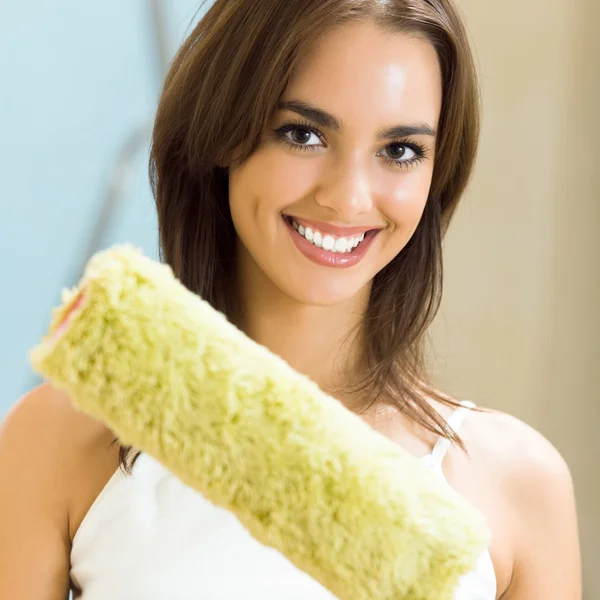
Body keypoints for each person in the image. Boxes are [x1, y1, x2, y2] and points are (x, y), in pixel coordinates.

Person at [0, 0, 581, 598]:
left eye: (400, 149)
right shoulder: (59, 441)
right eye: (302, 134)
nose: (348, 198)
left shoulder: (518, 486)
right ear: (222, 135)